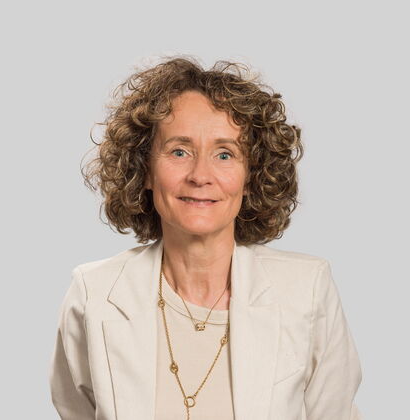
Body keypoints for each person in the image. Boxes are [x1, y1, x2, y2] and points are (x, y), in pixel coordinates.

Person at [49, 56, 363, 420]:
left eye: (224, 154)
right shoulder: (93, 294)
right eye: (179, 151)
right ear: (145, 169)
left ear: (251, 176)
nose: (200, 175)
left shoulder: (307, 290)